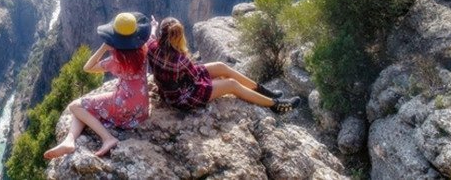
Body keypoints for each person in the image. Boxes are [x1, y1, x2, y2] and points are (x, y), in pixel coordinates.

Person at [44, 12, 151, 160]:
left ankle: (107, 138)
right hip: (142, 109)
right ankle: (69, 140)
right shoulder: (144, 50)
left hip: (123, 106)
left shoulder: (115, 61)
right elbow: (151, 39)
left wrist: (104, 47)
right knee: (85, 109)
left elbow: (88, 67)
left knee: (75, 106)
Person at [147, 16, 300, 113]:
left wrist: (153, 25)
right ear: (179, 35)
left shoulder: (152, 46)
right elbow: (195, 80)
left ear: (163, 33)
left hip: (171, 90)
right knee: (232, 84)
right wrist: (218, 84)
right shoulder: (181, 59)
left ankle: (263, 91)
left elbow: (151, 36)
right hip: (183, 97)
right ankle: (275, 104)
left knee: (221, 66)